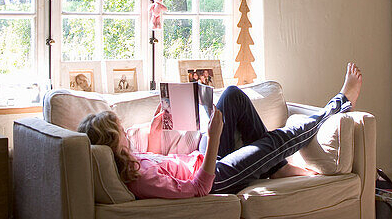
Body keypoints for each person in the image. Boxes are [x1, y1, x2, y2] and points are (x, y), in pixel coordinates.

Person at [79, 63, 363, 197]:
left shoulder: (133, 164)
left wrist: (156, 132)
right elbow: (198, 188)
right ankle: (340, 103)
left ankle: (274, 168)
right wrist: (214, 135)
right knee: (277, 140)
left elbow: (160, 164)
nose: (127, 135)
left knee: (232, 95)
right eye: (121, 132)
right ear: (114, 143)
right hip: (216, 179)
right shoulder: (138, 179)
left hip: (206, 160)